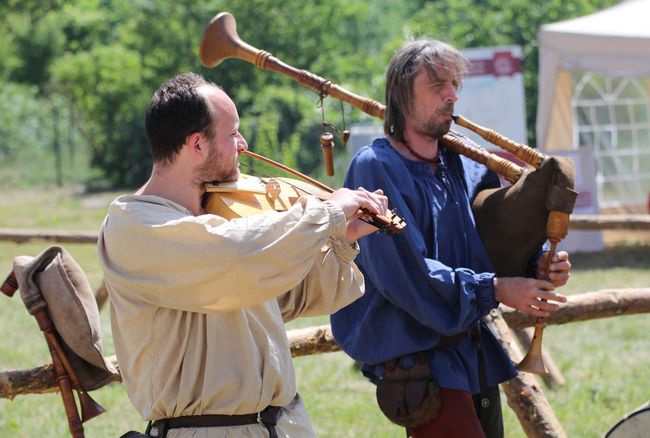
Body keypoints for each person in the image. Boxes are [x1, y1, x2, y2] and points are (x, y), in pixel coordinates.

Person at [97, 72, 389, 438]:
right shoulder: (135, 227)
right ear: (197, 145)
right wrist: (325, 214)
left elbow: (289, 295)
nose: (244, 144)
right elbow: (234, 256)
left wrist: (340, 239)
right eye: (232, 133)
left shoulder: (221, 216)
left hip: (284, 425)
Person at [330, 40, 572, 438]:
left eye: (456, 84)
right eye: (438, 84)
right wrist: (495, 288)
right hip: (422, 366)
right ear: (403, 94)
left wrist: (538, 262)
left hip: (472, 353)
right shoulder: (375, 168)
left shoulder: (461, 164)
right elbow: (408, 276)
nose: (452, 94)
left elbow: (493, 241)